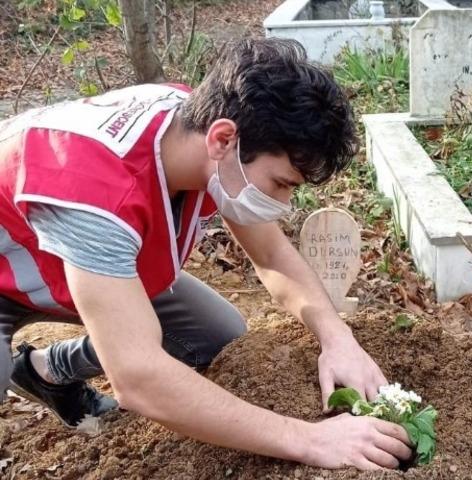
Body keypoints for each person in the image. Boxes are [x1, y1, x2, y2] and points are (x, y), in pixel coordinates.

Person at [0, 38, 413, 471]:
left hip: (72, 269)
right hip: (16, 272)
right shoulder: (98, 191)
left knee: (216, 333)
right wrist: (309, 439)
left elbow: (271, 252)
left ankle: (48, 371)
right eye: (281, 183)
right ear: (223, 139)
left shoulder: (198, 131)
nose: (284, 203)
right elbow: (138, 379)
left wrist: (337, 338)